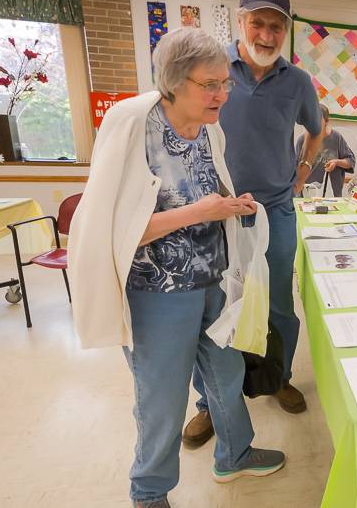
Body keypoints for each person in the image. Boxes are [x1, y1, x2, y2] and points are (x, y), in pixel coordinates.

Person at [68, 28, 285, 508]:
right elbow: (114, 228)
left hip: (213, 279)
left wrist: (231, 206)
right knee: (162, 399)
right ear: (172, 82)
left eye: (224, 83)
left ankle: (235, 453)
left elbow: (208, 190)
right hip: (156, 292)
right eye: (210, 85)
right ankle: (149, 494)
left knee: (226, 376)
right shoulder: (132, 123)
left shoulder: (210, 127)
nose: (222, 95)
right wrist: (198, 212)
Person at [183, 0, 322, 447]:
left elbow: (317, 132)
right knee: (217, 308)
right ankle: (210, 403)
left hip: (276, 212)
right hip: (218, 213)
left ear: (286, 31)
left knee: (279, 303)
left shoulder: (299, 82)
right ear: (240, 21)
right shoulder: (212, 68)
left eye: (276, 27)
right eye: (257, 23)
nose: (266, 35)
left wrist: (302, 171)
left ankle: (277, 376)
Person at [296, 104, 356, 197]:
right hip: (306, 196)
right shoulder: (302, 140)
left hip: (332, 197)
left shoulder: (337, 138)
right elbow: (294, 169)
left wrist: (336, 162)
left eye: (317, 120)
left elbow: (351, 162)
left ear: (327, 121)